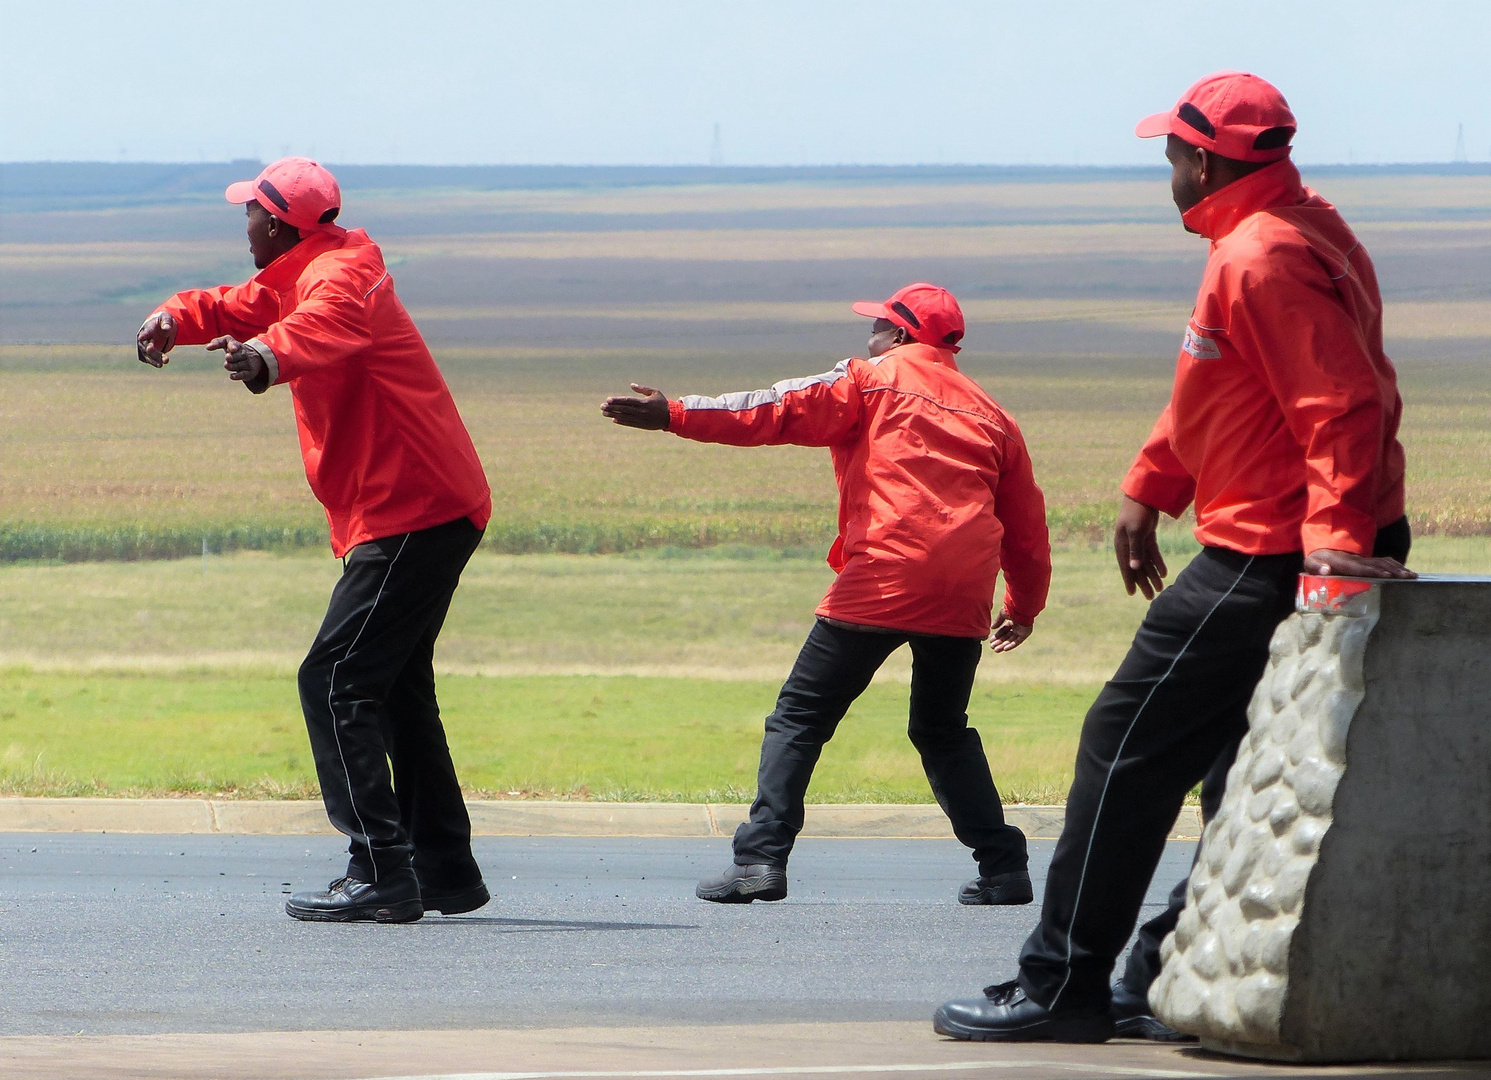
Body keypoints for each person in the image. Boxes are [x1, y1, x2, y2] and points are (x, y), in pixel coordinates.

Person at [934, 71, 1415, 1042]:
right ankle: (1161, 969)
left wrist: (1331, 560)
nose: (1166, 172)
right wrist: (1152, 482)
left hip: (1270, 550)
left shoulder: (1262, 255)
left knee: (1125, 748)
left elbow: (1340, 409)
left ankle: (1062, 984)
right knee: (1243, 768)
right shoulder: (1293, 225)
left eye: (1169, 156)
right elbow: (1217, 385)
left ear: (1200, 160)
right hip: (1290, 535)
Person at [601, 283, 1052, 905]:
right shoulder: (994, 416)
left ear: (900, 336)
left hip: (885, 577)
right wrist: (1023, 606)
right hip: (963, 592)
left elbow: (775, 409)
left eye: (876, 326)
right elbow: (1027, 524)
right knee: (942, 729)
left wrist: (675, 413)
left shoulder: (870, 380)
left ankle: (760, 861)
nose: (866, 337)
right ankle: (1005, 869)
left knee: (799, 718)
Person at [136, 157, 494, 924]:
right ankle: (443, 871)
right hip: (405, 508)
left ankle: (379, 871)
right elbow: (235, 303)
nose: (244, 225)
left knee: (333, 680)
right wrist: (175, 315)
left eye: (251, 214)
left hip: (414, 508)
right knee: (394, 687)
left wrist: (268, 357)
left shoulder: (342, 275)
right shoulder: (300, 268)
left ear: (281, 223)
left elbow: (318, 326)